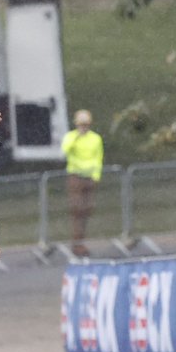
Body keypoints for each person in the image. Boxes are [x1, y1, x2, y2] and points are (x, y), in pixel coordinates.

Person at [61, 109, 103, 256]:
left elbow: (98, 158)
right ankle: (76, 243)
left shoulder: (95, 139)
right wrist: (76, 137)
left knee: (87, 210)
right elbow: (65, 150)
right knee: (77, 210)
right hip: (75, 176)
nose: (83, 127)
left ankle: (81, 241)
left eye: (85, 125)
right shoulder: (71, 137)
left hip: (90, 177)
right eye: (81, 124)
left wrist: (96, 177)